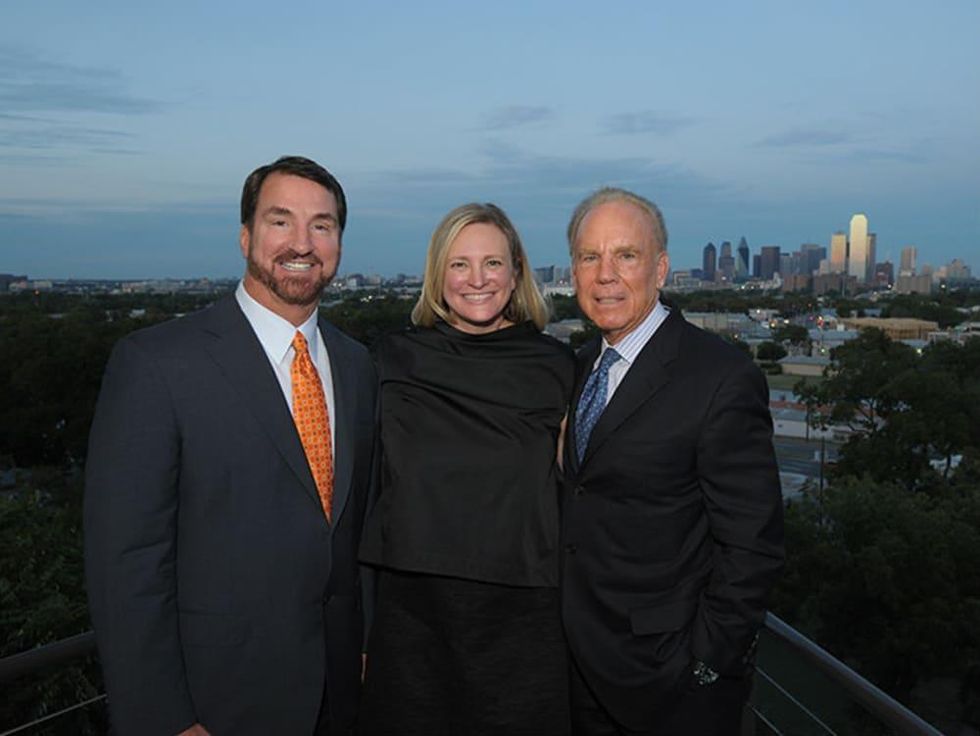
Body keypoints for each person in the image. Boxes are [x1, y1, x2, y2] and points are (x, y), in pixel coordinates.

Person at [84, 156, 377, 735]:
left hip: (341, 695)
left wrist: (366, 644)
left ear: (339, 244)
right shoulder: (157, 364)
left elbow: (359, 527)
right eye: (280, 221)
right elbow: (127, 563)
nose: (302, 243)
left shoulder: (356, 364)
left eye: (321, 225)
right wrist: (163, 718)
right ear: (245, 236)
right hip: (215, 705)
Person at [560, 187, 784, 735]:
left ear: (660, 269)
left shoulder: (720, 377)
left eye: (626, 255)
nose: (605, 274)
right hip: (576, 673)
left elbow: (752, 544)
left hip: (670, 688)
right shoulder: (579, 365)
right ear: (573, 272)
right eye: (590, 257)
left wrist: (705, 666)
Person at [359, 203, 574, 735]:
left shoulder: (557, 367)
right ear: (438, 274)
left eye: (492, 263)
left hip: (525, 626)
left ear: (516, 272)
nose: (477, 279)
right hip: (411, 621)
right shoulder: (390, 360)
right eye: (460, 264)